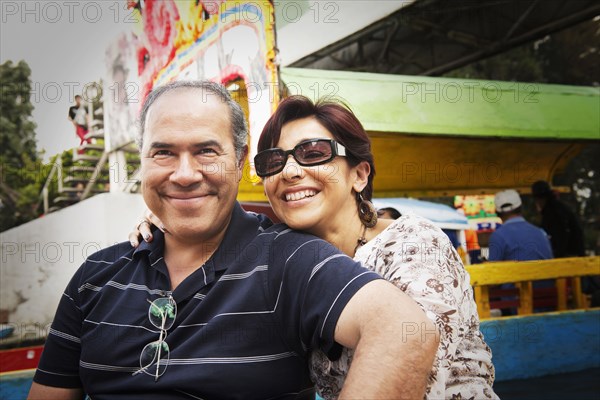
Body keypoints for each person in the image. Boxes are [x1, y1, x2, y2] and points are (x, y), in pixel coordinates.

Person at [28, 81, 438, 399]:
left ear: (239, 162)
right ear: (142, 161)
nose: (184, 174)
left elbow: (403, 328)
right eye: (164, 153)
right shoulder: (95, 275)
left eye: (206, 151)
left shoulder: (289, 258)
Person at [134, 95, 497, 399]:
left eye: (313, 152)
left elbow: (417, 373)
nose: (289, 171)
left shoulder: (414, 245)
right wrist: (174, 221)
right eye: (273, 161)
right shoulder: (284, 256)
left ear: (359, 174)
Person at [489, 189, 553, 262]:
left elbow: (493, 269)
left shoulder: (498, 236)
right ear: (521, 208)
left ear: (497, 213)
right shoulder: (541, 233)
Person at [531, 180, 585, 258]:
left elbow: (560, 238)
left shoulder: (551, 213)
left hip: (567, 257)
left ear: (538, 199)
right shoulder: (560, 208)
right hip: (575, 254)